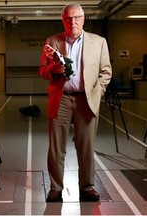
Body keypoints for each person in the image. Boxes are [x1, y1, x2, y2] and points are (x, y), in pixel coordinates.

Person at [39, 2, 112, 202]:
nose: (73, 22)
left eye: (77, 17)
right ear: (63, 20)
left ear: (83, 19)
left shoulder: (99, 42)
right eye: (68, 18)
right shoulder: (52, 41)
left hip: (85, 101)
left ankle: (87, 187)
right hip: (60, 100)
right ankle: (55, 188)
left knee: (86, 147)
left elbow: (106, 72)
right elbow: (42, 70)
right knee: (56, 148)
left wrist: (98, 91)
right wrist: (52, 71)